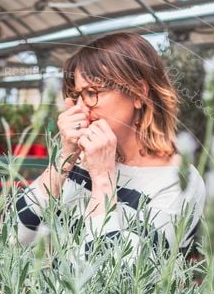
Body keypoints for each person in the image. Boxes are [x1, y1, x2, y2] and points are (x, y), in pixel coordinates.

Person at [16, 32, 204, 260]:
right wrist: (64, 157)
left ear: (138, 93)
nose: (82, 109)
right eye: (77, 95)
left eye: (92, 93)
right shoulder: (80, 161)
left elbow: (116, 282)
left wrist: (102, 179)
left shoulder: (178, 182)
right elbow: (16, 237)